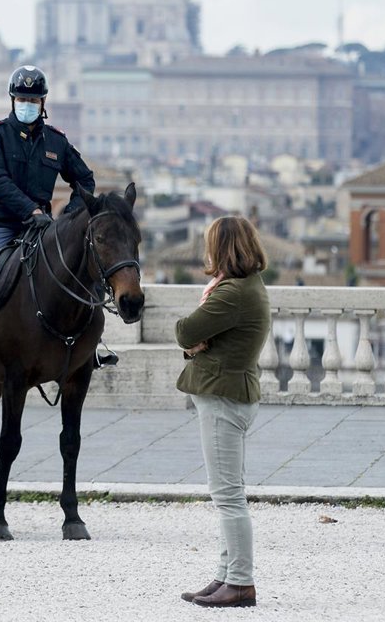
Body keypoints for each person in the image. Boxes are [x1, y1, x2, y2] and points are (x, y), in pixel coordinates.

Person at [174, 216, 270, 609]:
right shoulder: (248, 287)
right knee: (230, 492)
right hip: (233, 394)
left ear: (223, 248)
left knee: (228, 496)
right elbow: (198, 337)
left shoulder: (231, 294)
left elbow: (185, 331)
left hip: (223, 397)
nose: (206, 251)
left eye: (211, 244)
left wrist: (194, 342)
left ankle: (241, 583)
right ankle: (225, 575)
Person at [0, 65, 95, 275]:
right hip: (0, 223)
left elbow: (85, 180)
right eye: (22, 99)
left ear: (43, 102)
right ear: (13, 100)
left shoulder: (56, 140)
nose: (27, 104)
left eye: (33, 100)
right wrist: (31, 210)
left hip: (41, 227)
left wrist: (68, 218)